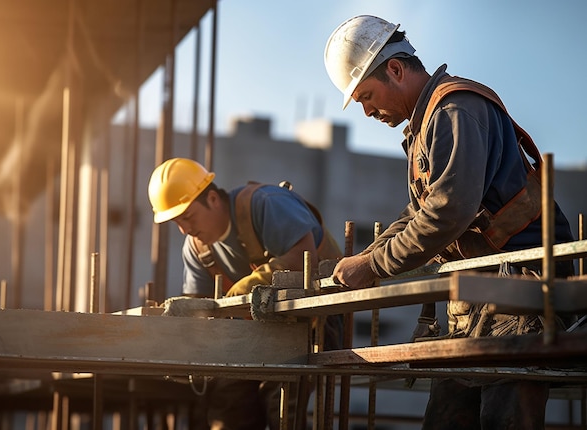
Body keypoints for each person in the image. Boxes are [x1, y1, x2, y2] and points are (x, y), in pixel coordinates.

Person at [324, 15, 575, 429]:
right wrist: (367, 256)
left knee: (504, 419)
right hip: (481, 296)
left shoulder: (456, 109)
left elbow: (448, 213)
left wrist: (371, 266)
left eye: (367, 95)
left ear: (396, 69)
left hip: (523, 292)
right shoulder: (425, 125)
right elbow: (418, 214)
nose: (367, 110)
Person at [147, 157, 342, 430]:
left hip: (312, 318)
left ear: (212, 199)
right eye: (177, 223)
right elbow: (201, 310)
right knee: (228, 404)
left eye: (188, 217)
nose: (185, 230)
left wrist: (248, 286)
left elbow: (303, 256)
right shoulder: (197, 249)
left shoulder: (265, 203)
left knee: (282, 401)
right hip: (250, 329)